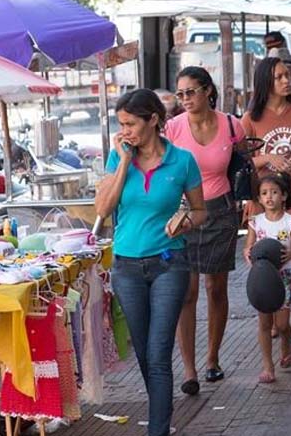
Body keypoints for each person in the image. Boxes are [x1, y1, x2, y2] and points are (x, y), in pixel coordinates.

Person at [95, 89, 207, 436]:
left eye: (130, 124)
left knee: (158, 352)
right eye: (121, 124)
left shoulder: (182, 160)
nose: (124, 131)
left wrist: (186, 221)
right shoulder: (118, 160)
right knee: (143, 351)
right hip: (127, 266)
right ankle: (161, 413)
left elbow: (202, 210)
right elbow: (102, 209)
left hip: (169, 263)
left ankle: (158, 429)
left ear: (153, 120)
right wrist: (124, 161)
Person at [164, 66, 243, 396]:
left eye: (191, 92)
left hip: (220, 211)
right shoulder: (172, 129)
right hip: (183, 215)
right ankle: (190, 368)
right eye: (180, 94)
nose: (185, 100)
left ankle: (212, 359)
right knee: (187, 291)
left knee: (215, 287)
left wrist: (248, 201)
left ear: (208, 91)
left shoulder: (230, 124)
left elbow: (243, 166)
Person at [242, 58, 291, 347]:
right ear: (266, 82)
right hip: (263, 197)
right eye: (280, 77)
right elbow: (241, 161)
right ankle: (274, 316)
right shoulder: (251, 118)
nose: (287, 81)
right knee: (265, 257)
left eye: (288, 75)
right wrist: (266, 159)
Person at [243, 174, 291, 383]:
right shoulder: (255, 222)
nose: (269, 197)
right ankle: (268, 366)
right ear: (259, 198)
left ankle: (288, 342)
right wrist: (248, 253)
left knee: (283, 324)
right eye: (264, 193)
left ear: (284, 196)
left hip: (285, 276)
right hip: (263, 278)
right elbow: (248, 246)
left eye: (275, 192)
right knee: (265, 324)